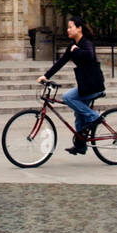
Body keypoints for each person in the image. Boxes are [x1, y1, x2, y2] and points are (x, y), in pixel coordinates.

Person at [35, 16, 106, 155]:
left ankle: (95, 118)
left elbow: (89, 55)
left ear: (79, 28)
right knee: (79, 115)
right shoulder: (72, 45)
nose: (67, 30)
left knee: (68, 97)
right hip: (85, 84)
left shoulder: (86, 43)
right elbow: (60, 62)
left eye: (70, 27)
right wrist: (46, 76)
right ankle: (81, 145)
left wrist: (76, 51)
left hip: (93, 84)